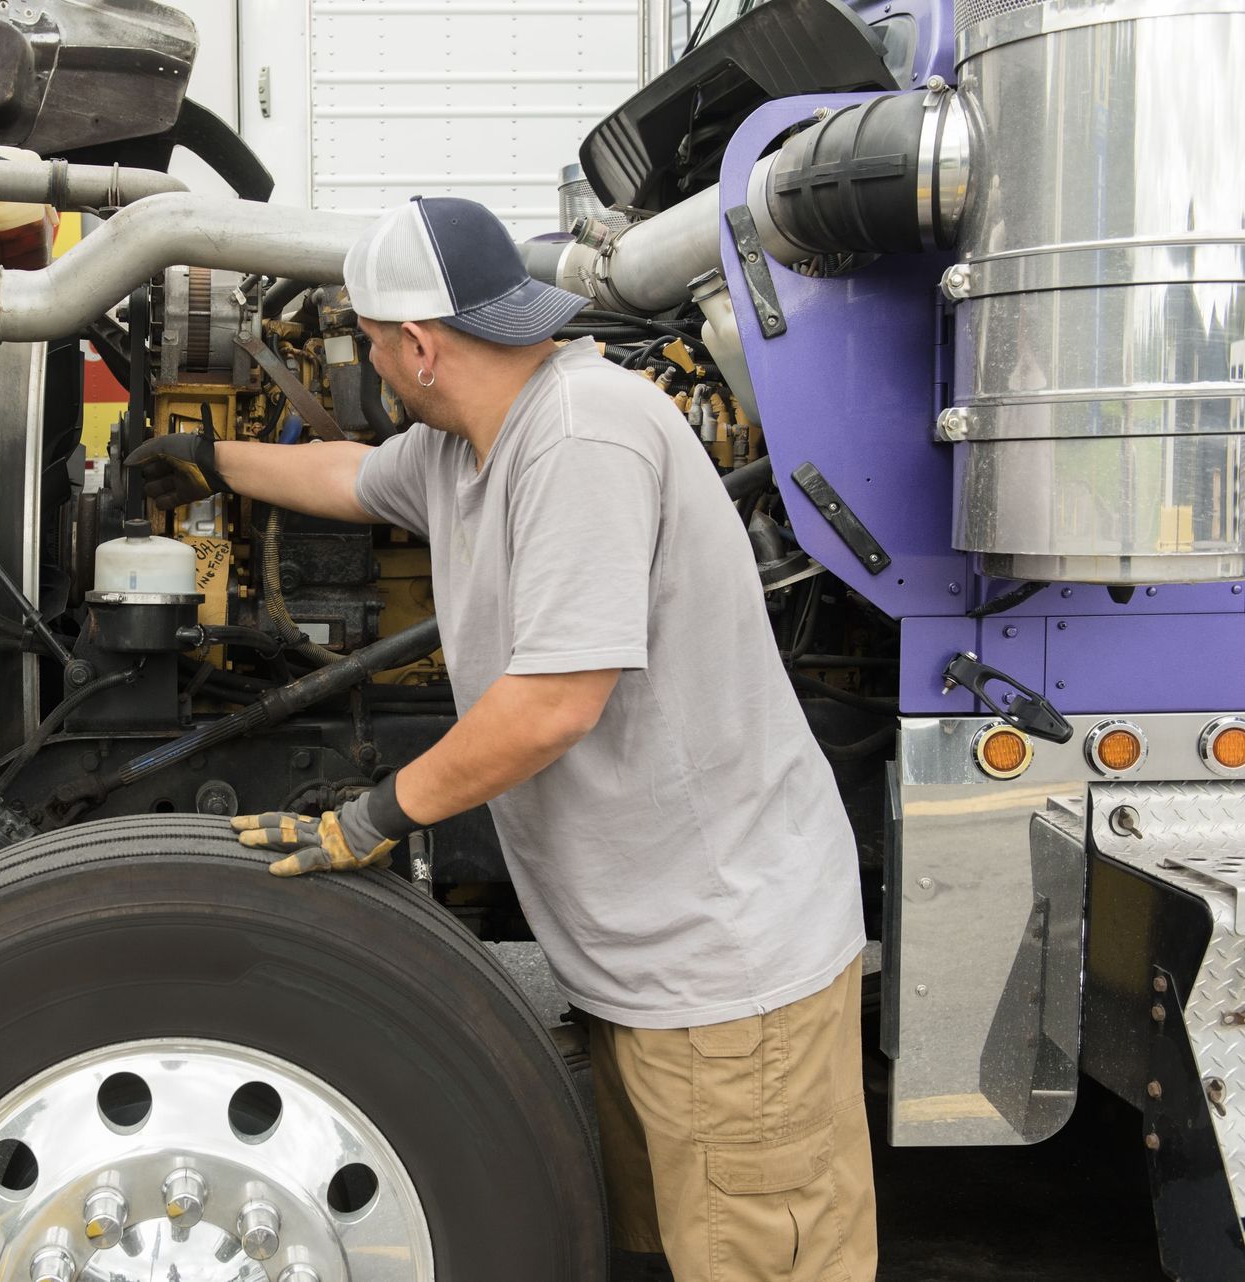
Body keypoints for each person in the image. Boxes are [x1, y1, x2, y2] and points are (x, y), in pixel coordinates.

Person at [125, 195, 875, 1282]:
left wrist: (371, 819)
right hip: (640, 964)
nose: (375, 366)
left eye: (377, 345)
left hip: (726, 975)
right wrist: (210, 458)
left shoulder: (582, 437)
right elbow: (350, 474)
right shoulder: (468, 442)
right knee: (669, 1252)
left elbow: (552, 703)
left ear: (420, 346)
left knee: (764, 1263)